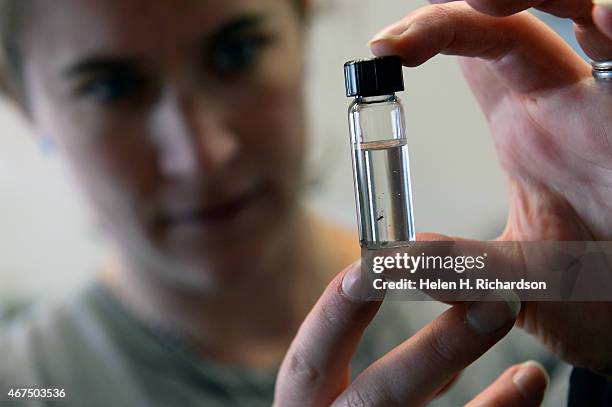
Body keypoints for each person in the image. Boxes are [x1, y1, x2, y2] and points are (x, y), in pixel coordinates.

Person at [0, 0, 608, 406]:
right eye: (112, 88)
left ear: (301, 31)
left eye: (236, 53)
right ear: (23, 103)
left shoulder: (533, 313)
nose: (202, 153)